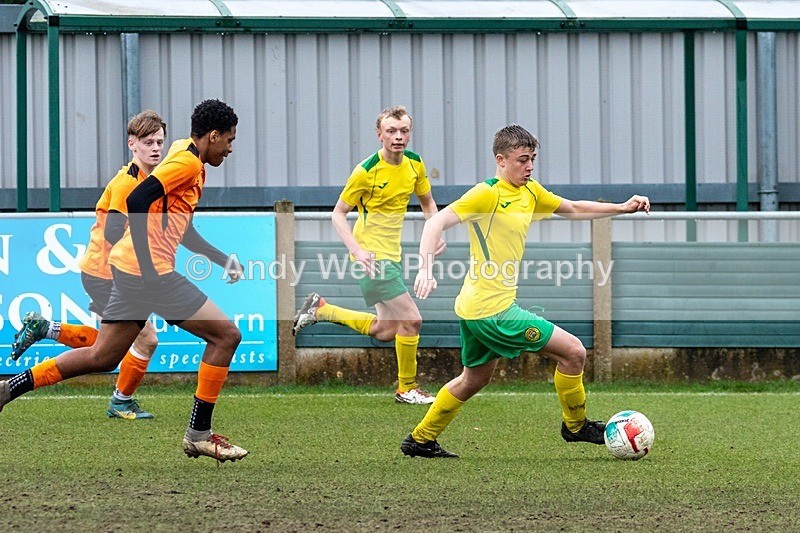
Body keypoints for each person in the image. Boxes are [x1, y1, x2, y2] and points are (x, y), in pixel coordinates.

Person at [1, 99, 248, 463]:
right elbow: (137, 198)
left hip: (131, 271)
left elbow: (181, 229)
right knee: (226, 336)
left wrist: (222, 259)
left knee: (102, 356)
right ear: (213, 135)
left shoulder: (186, 156)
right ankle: (198, 434)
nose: (230, 148)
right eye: (229, 140)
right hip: (149, 274)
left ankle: (8, 389)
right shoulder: (187, 162)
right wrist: (149, 267)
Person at [400, 124, 650, 458]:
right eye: (522, 160)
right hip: (493, 312)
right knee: (573, 352)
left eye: (532, 159)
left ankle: (420, 439)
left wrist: (621, 208)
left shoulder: (530, 192)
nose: (529, 166)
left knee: (473, 379)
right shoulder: (486, 194)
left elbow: (572, 208)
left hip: (476, 308)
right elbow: (435, 222)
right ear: (500, 160)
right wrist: (425, 268)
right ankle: (576, 426)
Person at [11, 110, 166, 420]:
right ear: (132, 144)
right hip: (108, 274)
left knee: (113, 345)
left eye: (160, 142)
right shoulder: (127, 184)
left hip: (109, 272)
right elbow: (113, 233)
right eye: (148, 142)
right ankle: (121, 401)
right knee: (139, 341)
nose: (155, 148)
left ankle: (47, 328)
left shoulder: (147, 181)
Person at [292, 105, 446, 404]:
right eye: (391, 131)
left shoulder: (415, 164)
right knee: (412, 319)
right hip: (372, 259)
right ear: (379, 135)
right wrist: (358, 250)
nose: (398, 136)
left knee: (386, 330)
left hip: (392, 256)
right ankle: (407, 388)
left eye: (403, 131)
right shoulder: (365, 171)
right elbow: (338, 214)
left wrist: (435, 231)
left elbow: (428, 203)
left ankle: (322, 309)